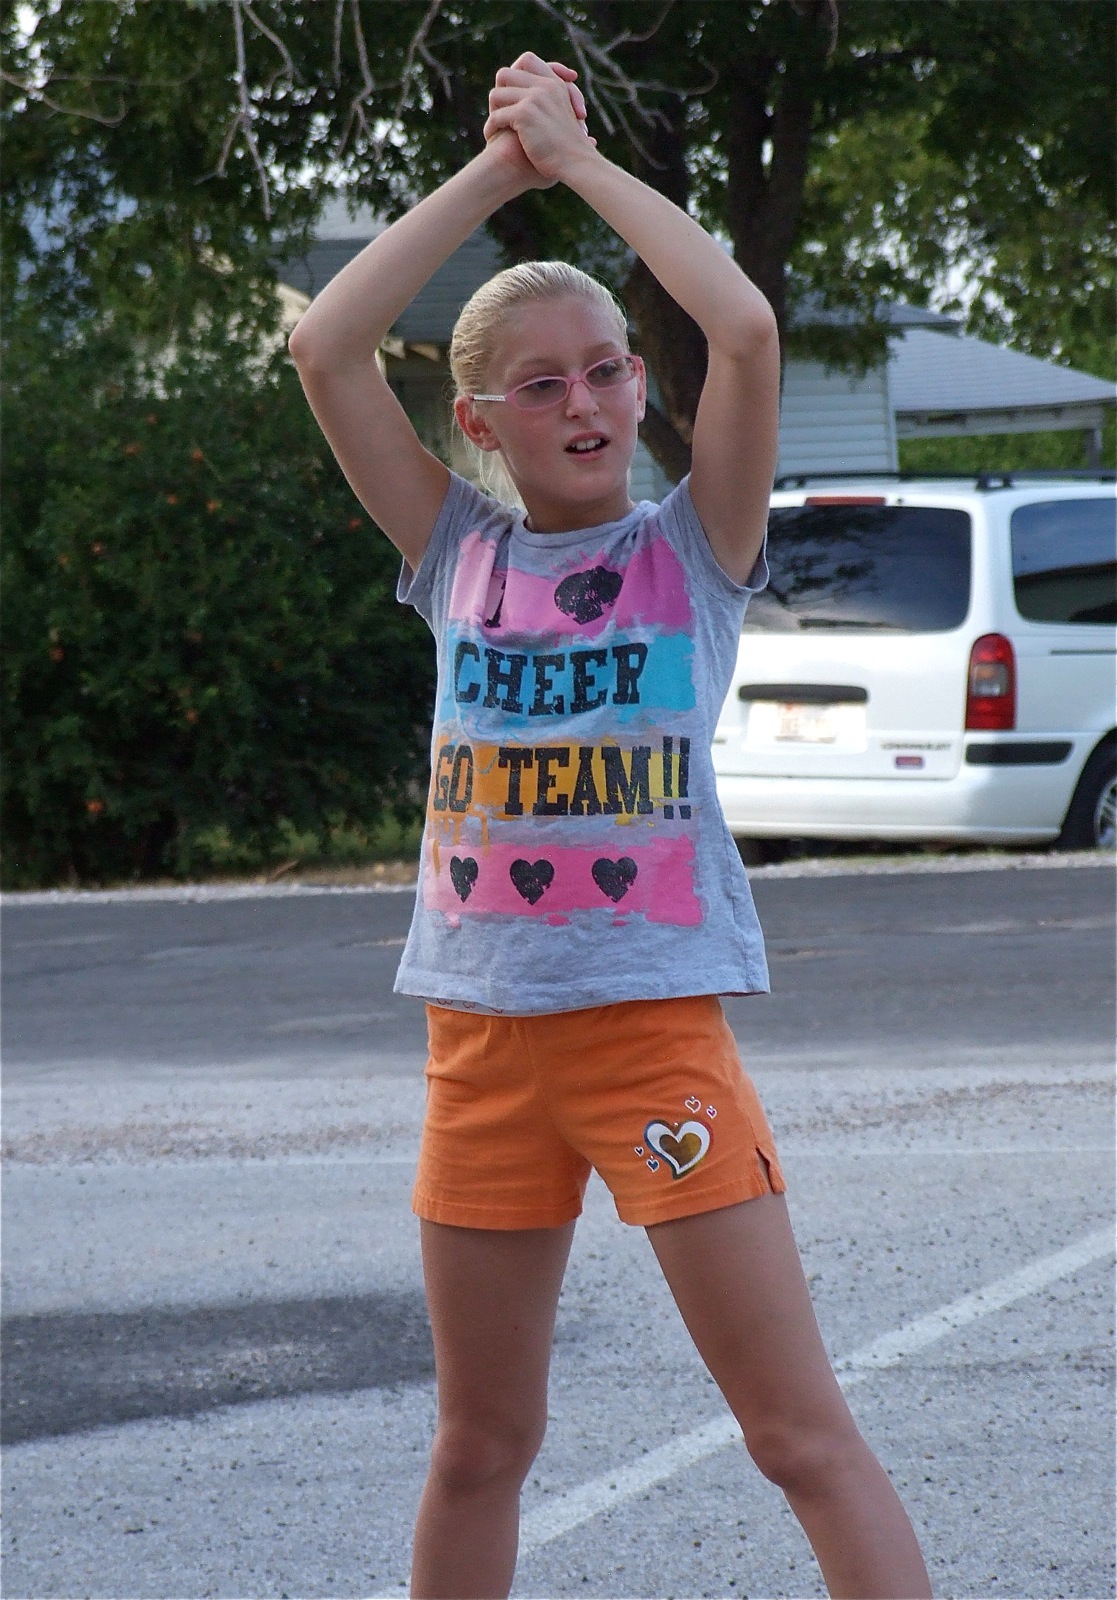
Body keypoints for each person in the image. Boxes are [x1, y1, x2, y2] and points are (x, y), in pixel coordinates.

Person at [289, 51, 932, 1600]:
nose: (581, 401)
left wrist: (575, 161)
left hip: (649, 1034)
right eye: (540, 384)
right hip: (479, 1041)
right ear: (477, 420)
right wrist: (496, 169)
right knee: (476, 1445)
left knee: (793, 1436)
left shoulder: (689, 549)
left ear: (639, 386)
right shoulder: (453, 550)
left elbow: (745, 327)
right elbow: (324, 343)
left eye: (603, 371)